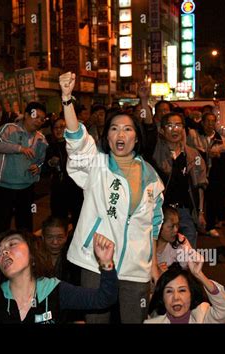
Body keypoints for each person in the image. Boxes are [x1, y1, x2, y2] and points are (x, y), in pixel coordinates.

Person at [60, 72, 164, 323]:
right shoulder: (97, 166)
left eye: (127, 129)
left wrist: (153, 264)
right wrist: (66, 99)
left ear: (136, 137)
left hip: (136, 266)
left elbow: (153, 224)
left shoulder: (153, 179)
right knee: (96, 320)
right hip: (95, 260)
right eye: (114, 128)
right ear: (106, 136)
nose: (120, 134)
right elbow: (77, 142)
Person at [0, 230, 118, 323]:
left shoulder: (56, 290)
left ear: (32, 254)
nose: (4, 252)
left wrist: (106, 262)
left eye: (12, 244)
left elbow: (105, 298)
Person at [0, 102, 48, 246]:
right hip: (5, 187)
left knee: (25, 227)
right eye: (35, 116)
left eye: (42, 118)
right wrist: (19, 148)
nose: (38, 120)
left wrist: (38, 167)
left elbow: (41, 161)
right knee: (1, 225)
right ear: (27, 115)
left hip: (26, 188)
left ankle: (26, 257)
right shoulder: (10, 128)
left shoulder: (41, 138)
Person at [151, 112, 208, 248]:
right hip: (162, 210)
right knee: (161, 253)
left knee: (187, 254)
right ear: (162, 130)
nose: (174, 129)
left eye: (178, 125)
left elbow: (200, 186)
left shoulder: (193, 155)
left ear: (183, 129)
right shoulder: (155, 152)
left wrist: (200, 213)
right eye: (169, 126)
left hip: (185, 212)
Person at [145, 261, 225, 324]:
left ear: (191, 294)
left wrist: (199, 275)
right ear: (162, 297)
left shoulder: (201, 316)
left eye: (182, 290)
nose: (176, 297)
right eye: (169, 291)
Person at [44, 117, 83, 225]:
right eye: (55, 127)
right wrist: (50, 163)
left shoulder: (76, 146)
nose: (59, 130)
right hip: (58, 189)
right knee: (59, 221)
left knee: (78, 221)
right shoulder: (50, 147)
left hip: (76, 190)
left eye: (62, 127)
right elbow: (44, 170)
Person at [156, 206, 195, 271]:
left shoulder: (180, 242)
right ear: (159, 227)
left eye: (177, 225)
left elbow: (189, 272)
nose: (176, 229)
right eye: (171, 226)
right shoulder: (147, 245)